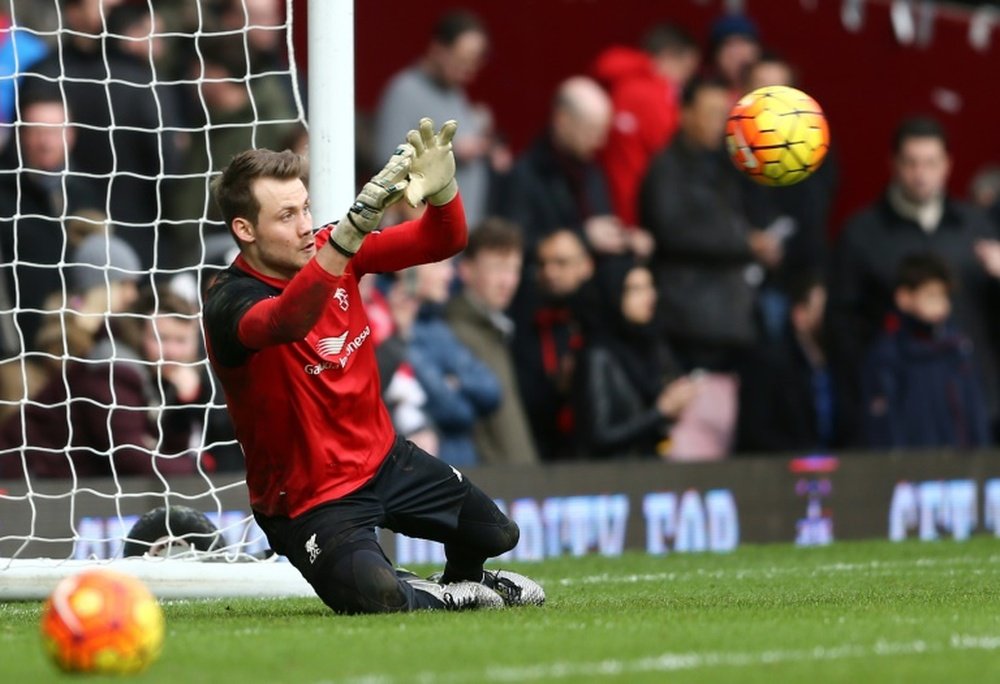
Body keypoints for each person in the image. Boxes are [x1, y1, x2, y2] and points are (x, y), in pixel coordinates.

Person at [202, 117, 544, 613]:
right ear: (244, 229)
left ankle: (461, 583)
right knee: (378, 597)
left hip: (385, 461)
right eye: (286, 217)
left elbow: (442, 242)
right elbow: (287, 320)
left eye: (306, 209)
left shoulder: (332, 247)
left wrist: (445, 189)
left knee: (496, 532)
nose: (304, 227)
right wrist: (345, 241)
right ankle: (431, 595)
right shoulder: (229, 301)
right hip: (309, 501)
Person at [828, 116, 1000, 439]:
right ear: (893, 164)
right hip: (896, 409)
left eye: (931, 163)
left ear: (947, 164)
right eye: (911, 163)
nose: (921, 174)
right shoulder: (862, 234)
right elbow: (842, 327)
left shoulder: (977, 229)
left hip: (975, 405)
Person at [373, 9, 504, 229]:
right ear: (437, 49)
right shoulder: (404, 90)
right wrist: (451, 150)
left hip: (464, 232)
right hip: (425, 236)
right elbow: (386, 160)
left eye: (475, 62)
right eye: (462, 60)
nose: (469, 70)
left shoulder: (455, 93)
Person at [861, 254, 990, 449]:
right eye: (931, 295)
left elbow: (976, 413)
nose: (941, 305)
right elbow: (885, 425)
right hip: (914, 470)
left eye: (945, 295)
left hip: (961, 469)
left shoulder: (958, 348)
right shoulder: (888, 354)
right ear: (904, 298)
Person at [575, 263, 697, 459]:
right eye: (636, 289)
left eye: (649, 287)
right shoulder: (598, 355)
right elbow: (599, 435)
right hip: (611, 480)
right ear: (614, 294)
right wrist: (660, 411)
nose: (649, 297)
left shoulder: (652, 346)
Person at [446, 218, 539, 465]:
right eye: (498, 268)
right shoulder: (454, 333)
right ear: (466, 270)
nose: (508, 281)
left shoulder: (495, 330)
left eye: (514, 269)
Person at [590, 23, 700, 226]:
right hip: (644, 211)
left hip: (607, 203)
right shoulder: (659, 96)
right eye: (686, 69)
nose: (685, 81)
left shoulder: (617, 83)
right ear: (667, 57)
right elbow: (674, 154)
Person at [404, 257, 501, 467]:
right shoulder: (396, 333)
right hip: (429, 474)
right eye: (439, 264)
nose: (450, 274)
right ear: (406, 268)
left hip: (464, 469)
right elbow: (454, 410)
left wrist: (458, 383)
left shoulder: (438, 328)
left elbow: (492, 389)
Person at [736, 273, 845, 453]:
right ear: (799, 315)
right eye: (820, 310)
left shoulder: (838, 361)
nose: (828, 319)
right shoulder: (770, 364)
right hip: (784, 468)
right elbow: (757, 430)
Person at [512, 229, 594, 461]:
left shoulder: (604, 321)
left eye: (561, 262)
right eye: (543, 263)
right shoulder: (527, 323)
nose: (550, 272)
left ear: (586, 265)